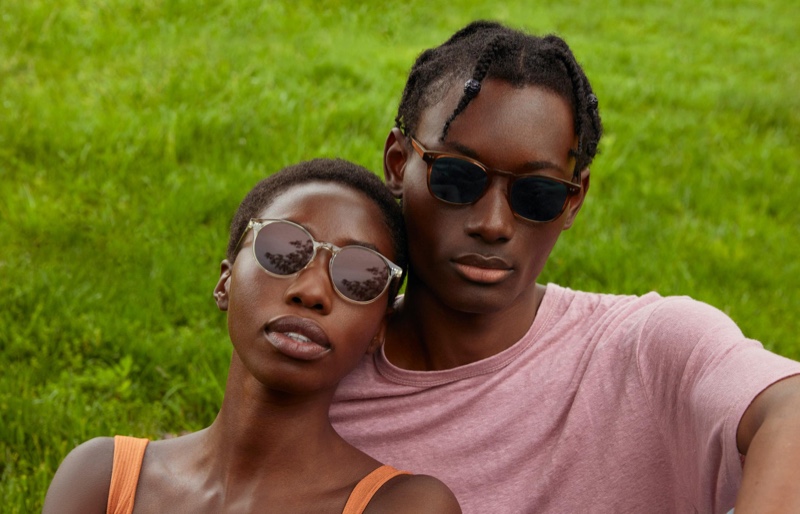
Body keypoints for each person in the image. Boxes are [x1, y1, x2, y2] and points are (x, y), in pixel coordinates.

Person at [330, 20, 800, 513]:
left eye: (537, 194)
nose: (493, 224)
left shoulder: (645, 350)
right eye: (456, 178)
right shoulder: (324, 377)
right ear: (397, 163)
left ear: (574, 201)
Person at [43, 159, 461, 513]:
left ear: (378, 329)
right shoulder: (103, 477)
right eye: (283, 248)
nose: (311, 291)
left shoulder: (404, 505)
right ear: (225, 282)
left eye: (359, 275)